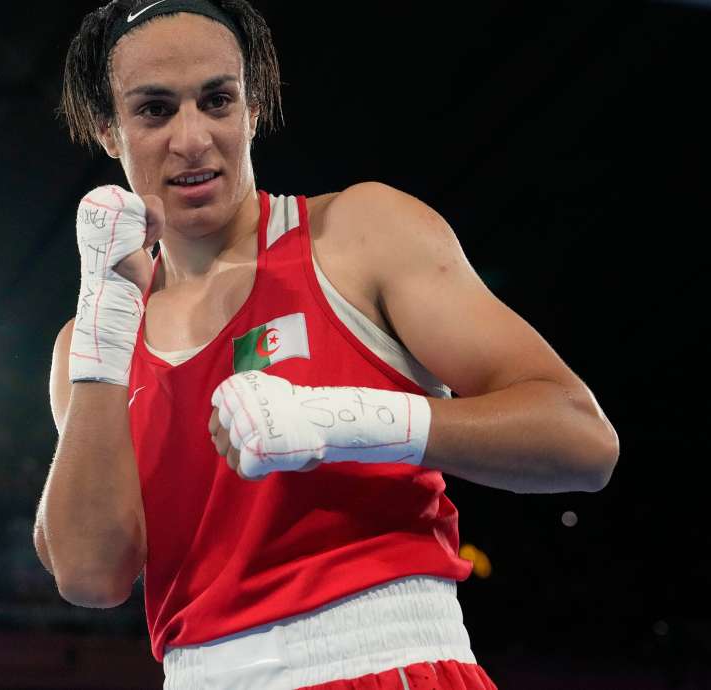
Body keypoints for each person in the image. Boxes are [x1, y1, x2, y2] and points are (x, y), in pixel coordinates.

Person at [33, 1, 620, 688]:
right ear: (109, 130)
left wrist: (348, 419)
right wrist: (104, 321)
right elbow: (90, 575)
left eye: (217, 100)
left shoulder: (358, 235)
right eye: (155, 110)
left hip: (387, 661)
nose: (193, 139)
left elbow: (581, 440)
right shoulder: (89, 342)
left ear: (253, 110)